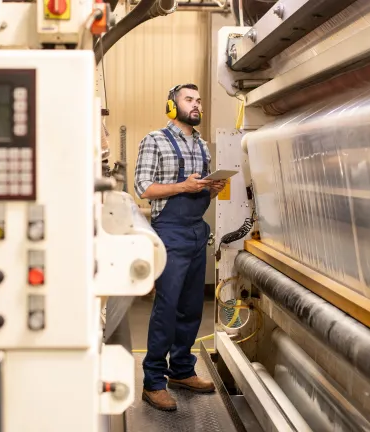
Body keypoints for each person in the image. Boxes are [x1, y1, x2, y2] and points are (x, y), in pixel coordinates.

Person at [133, 83, 226, 411]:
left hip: (197, 231)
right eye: (189, 99)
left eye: (199, 100)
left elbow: (202, 194)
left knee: (191, 307)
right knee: (167, 309)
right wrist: (183, 186)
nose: (197, 104)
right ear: (172, 107)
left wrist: (211, 188)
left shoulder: (202, 145)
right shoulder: (154, 140)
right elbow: (143, 188)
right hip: (170, 232)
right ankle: (153, 381)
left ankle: (182, 370)